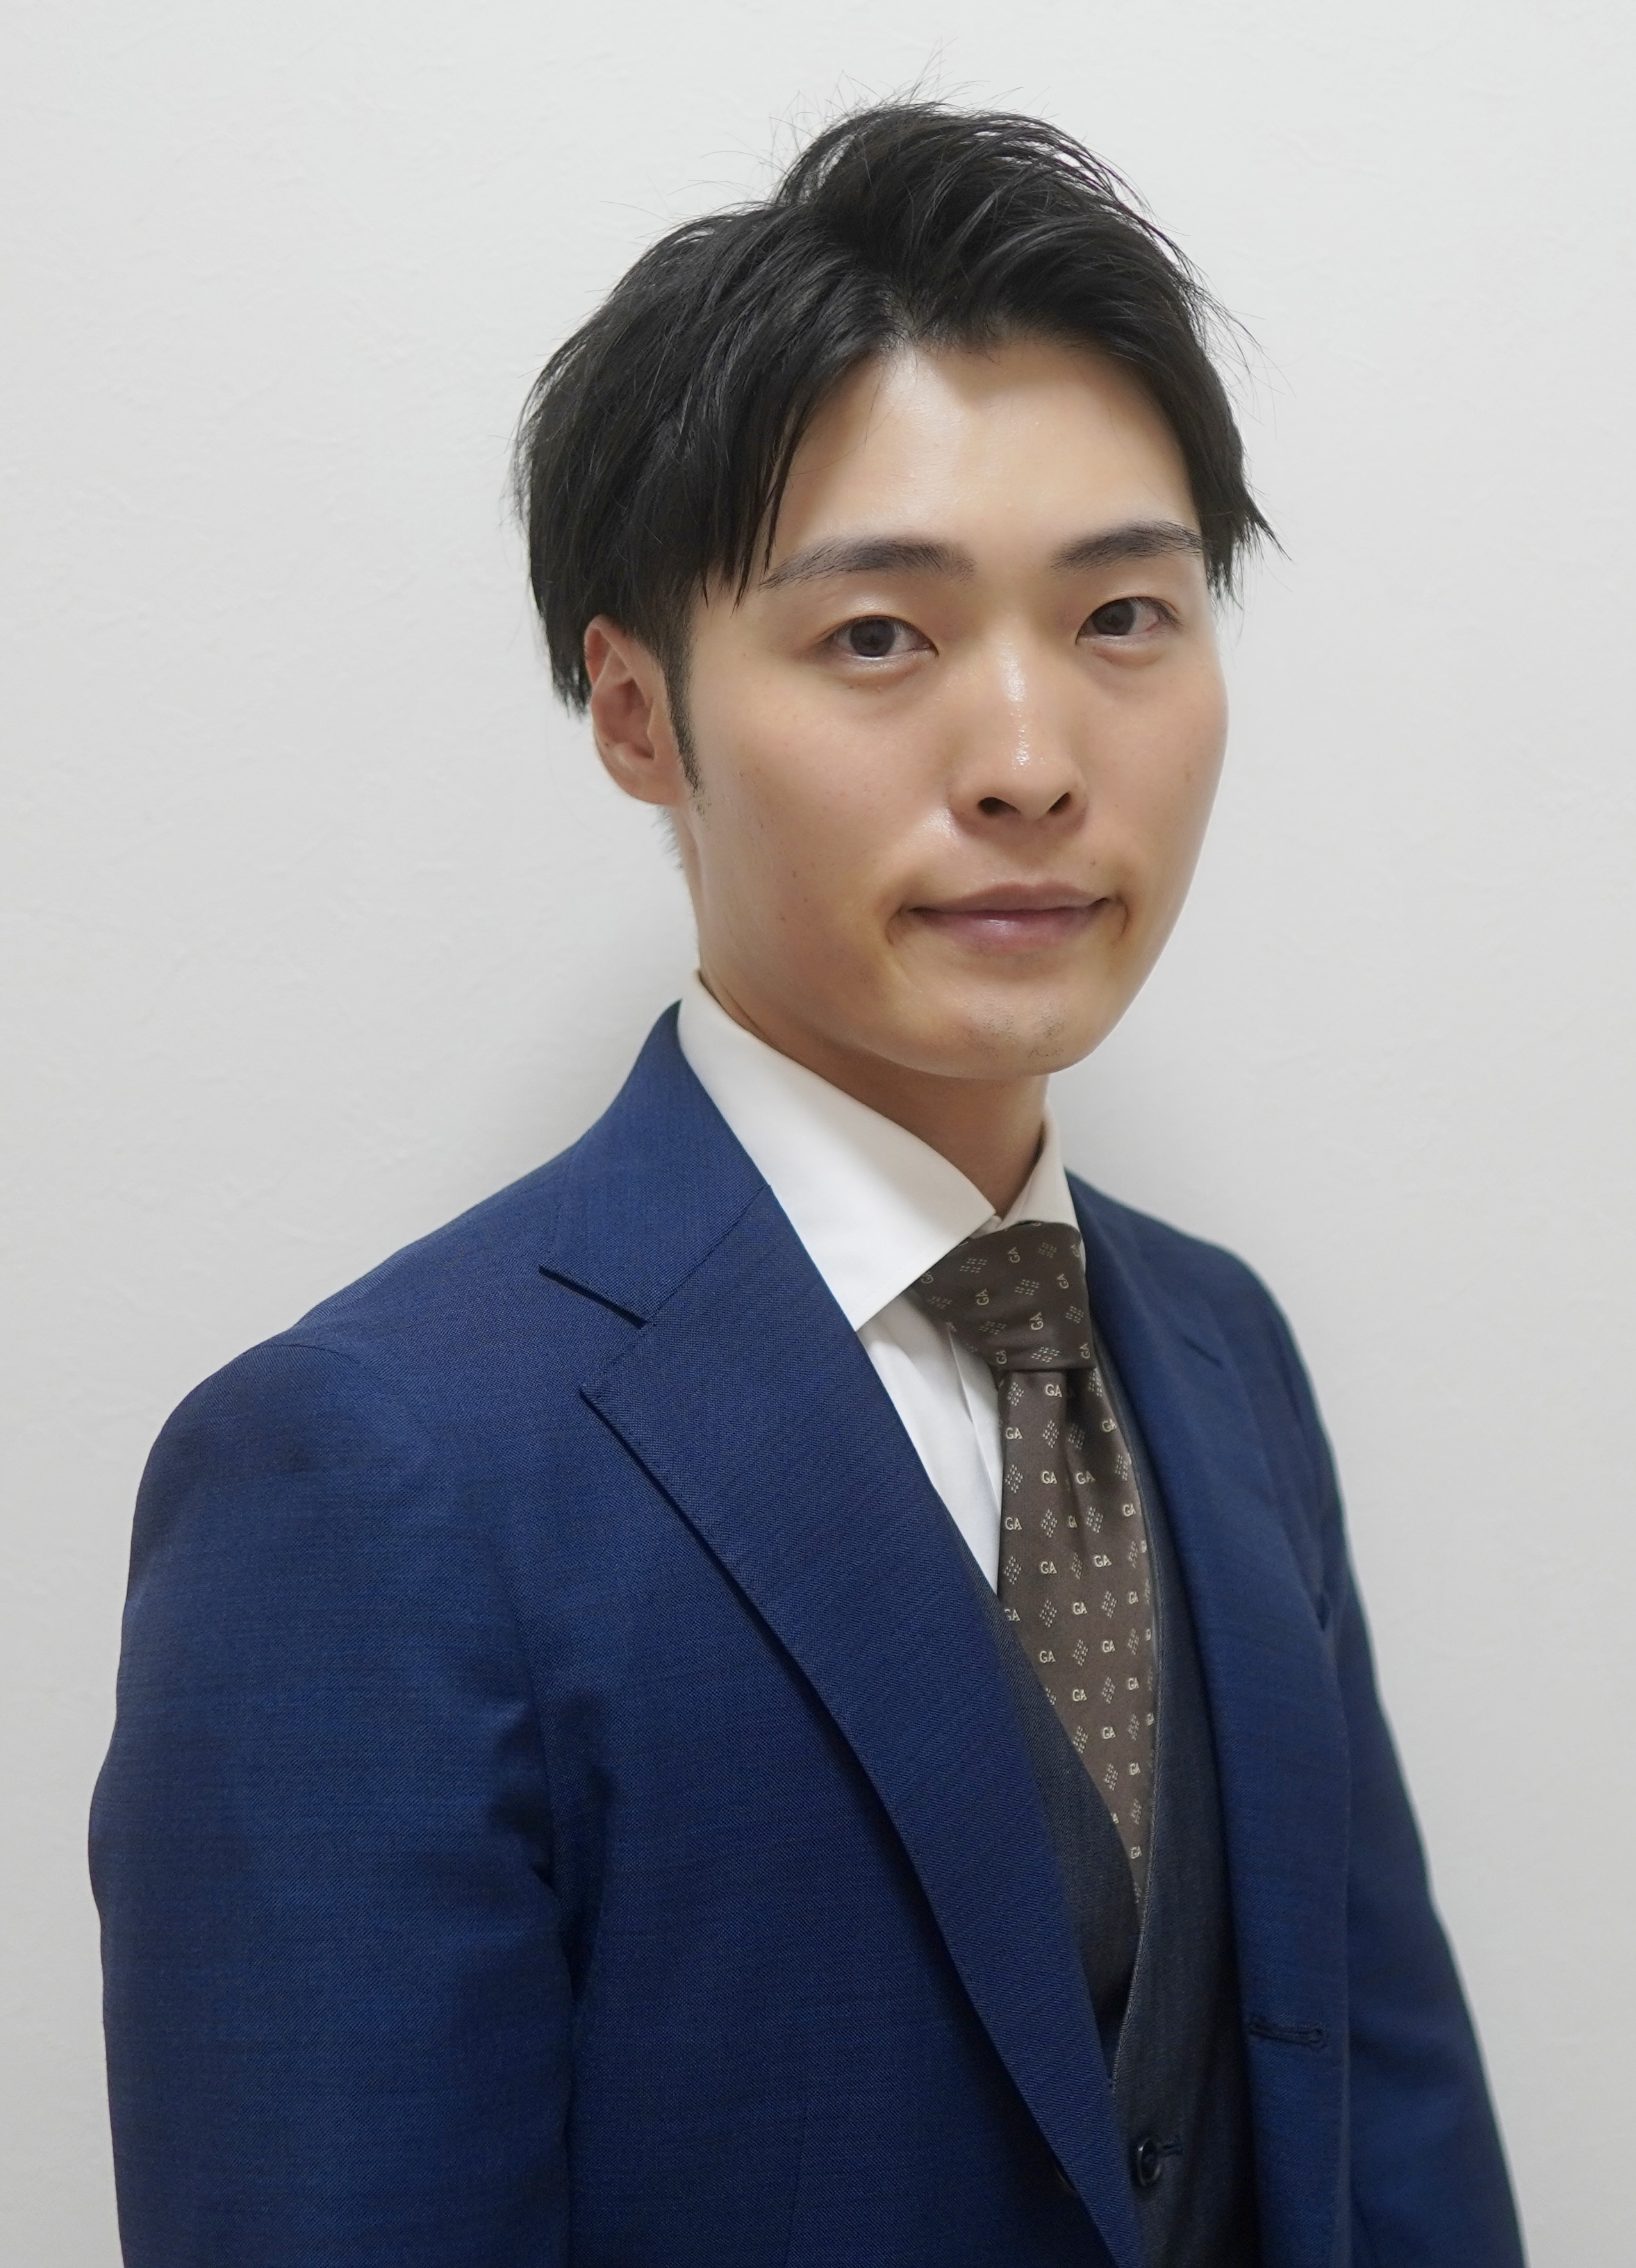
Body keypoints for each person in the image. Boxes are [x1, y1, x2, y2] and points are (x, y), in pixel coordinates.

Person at [90, 101, 1525, 2268]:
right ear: (635, 712)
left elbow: (1386, 2153)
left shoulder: (1223, 1355)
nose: (1029, 759)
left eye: (1123, 614)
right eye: (877, 637)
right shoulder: (370, 1471)